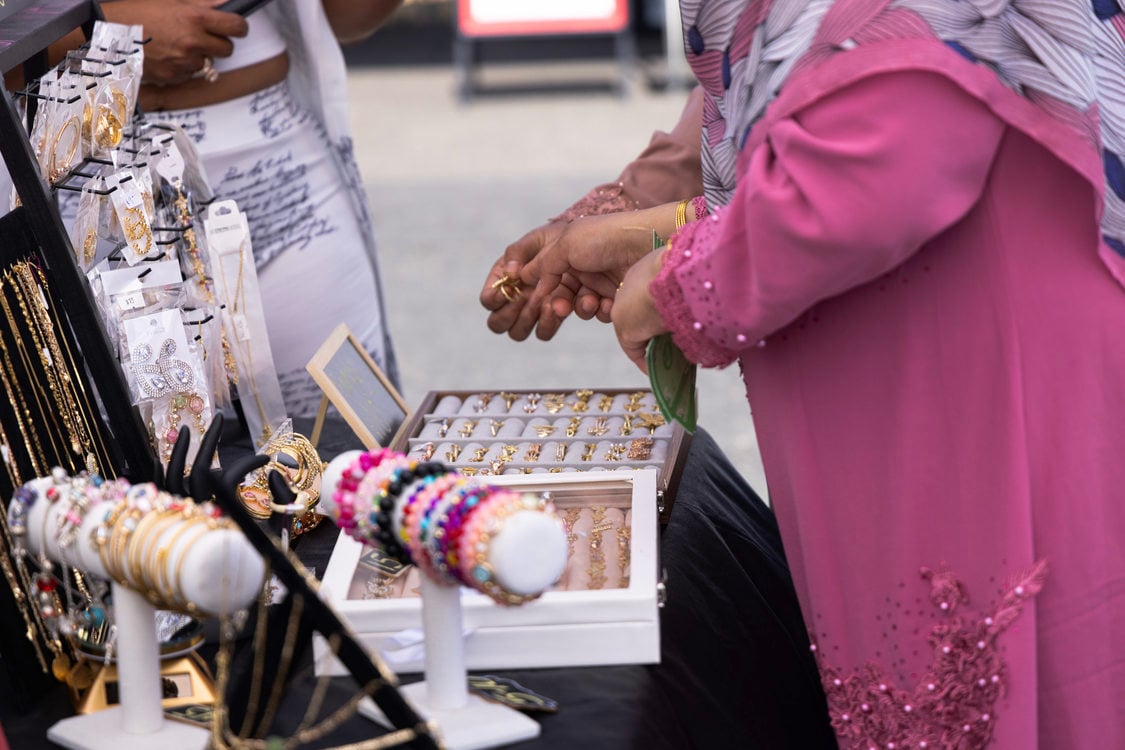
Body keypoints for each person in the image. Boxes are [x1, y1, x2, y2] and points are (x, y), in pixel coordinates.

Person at [482, 1, 1125, 748]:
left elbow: (882, 161)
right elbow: (780, 64)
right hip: (912, 380)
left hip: (972, 385)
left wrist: (682, 281)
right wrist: (639, 199)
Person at [47, 0, 404, 419]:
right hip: (91, 199)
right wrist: (108, 25)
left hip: (287, 198)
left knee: (355, 453)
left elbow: (348, 15)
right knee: (113, 468)